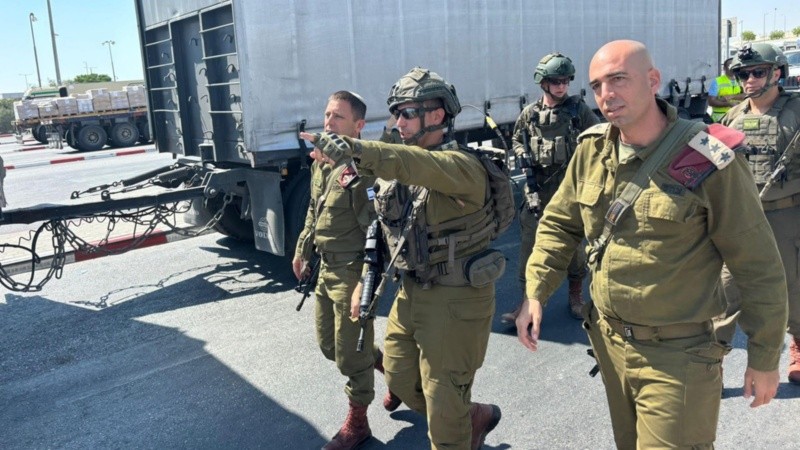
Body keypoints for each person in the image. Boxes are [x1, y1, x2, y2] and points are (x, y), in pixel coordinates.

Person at [515, 40, 788, 448]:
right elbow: (557, 225)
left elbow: (758, 264)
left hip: (678, 357)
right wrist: (536, 292)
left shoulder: (706, 158)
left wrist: (765, 357)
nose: (607, 94)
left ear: (653, 80)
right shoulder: (592, 149)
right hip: (609, 344)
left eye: (619, 79)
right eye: (597, 85)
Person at [301, 67, 502, 450]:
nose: (399, 122)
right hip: (412, 294)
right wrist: (367, 279)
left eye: (408, 113)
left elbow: (412, 164)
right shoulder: (400, 169)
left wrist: (357, 149)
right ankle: (470, 415)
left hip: (456, 299)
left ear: (438, 115)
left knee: (443, 414)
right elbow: (379, 226)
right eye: (397, 113)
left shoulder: (460, 165)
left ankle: (456, 423)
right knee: (396, 373)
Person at [292, 90, 394, 450]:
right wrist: (303, 246)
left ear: (359, 125)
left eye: (337, 117)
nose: (328, 123)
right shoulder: (321, 162)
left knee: (350, 354)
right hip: (325, 269)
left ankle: (358, 422)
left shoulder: (363, 170)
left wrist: (365, 281)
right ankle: (393, 374)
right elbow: (313, 209)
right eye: (327, 115)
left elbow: (376, 228)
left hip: (353, 271)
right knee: (330, 347)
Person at [715, 43, 800, 384]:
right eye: (743, 74)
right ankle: (711, 362)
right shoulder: (733, 117)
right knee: (725, 292)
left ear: (777, 72)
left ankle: (797, 348)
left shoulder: (795, 112)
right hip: (743, 219)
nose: (748, 80)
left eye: (757, 72)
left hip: (788, 217)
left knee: (793, 288)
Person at [500, 52, 600, 323]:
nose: (562, 86)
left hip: (570, 193)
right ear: (542, 82)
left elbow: (599, 139)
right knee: (529, 249)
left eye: (566, 81)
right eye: (556, 81)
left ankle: (576, 296)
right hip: (538, 192)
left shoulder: (578, 111)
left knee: (574, 250)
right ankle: (525, 303)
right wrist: (521, 154)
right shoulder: (530, 114)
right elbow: (517, 139)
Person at [707, 57, 745, 122]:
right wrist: (728, 104)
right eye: (729, 66)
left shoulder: (740, 80)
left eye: (734, 66)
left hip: (736, 115)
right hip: (720, 117)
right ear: (724, 68)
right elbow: (711, 102)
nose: (732, 68)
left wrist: (732, 96)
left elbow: (746, 95)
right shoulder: (717, 81)